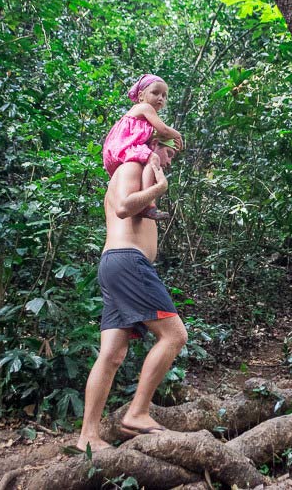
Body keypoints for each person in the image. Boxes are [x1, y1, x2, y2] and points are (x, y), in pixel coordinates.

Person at [77, 138, 187, 451]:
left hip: (116, 263)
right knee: (175, 336)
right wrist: (158, 188)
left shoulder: (135, 172)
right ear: (151, 144)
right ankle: (137, 413)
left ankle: (87, 436)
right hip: (128, 263)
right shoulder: (131, 167)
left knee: (111, 354)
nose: (168, 161)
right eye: (167, 153)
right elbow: (126, 208)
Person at [101, 74, 183, 220]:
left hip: (119, 150)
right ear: (141, 95)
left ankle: (147, 202)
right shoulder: (145, 107)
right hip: (124, 146)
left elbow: (158, 133)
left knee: (149, 161)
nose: (160, 98)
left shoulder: (145, 114)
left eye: (164, 96)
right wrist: (178, 135)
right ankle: (149, 204)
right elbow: (163, 130)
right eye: (155, 93)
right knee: (154, 158)